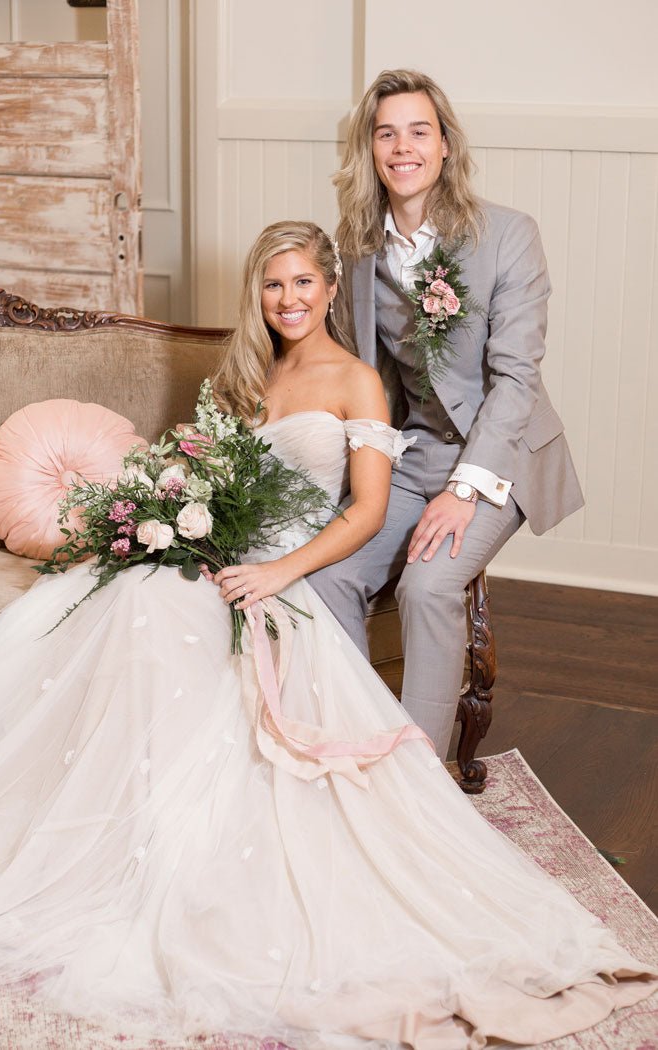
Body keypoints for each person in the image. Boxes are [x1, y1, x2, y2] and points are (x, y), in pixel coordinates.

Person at [0, 221, 654, 1050]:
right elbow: (215, 483)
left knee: (161, 613)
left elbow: (364, 511)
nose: (287, 300)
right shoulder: (248, 378)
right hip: (224, 560)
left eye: (302, 284)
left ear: (329, 289)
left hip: (281, 575)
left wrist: (282, 574)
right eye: (271, 286)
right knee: (134, 598)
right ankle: (124, 828)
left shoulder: (358, 382)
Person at [310, 70, 584, 759]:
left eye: (419, 131)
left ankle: (418, 775)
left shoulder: (509, 235)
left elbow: (516, 380)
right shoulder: (358, 248)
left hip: (498, 457)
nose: (403, 147)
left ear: (445, 147)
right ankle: (359, 740)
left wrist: (465, 491)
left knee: (429, 586)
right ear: (370, 151)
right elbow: (361, 376)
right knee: (328, 574)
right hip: (412, 452)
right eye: (386, 133)